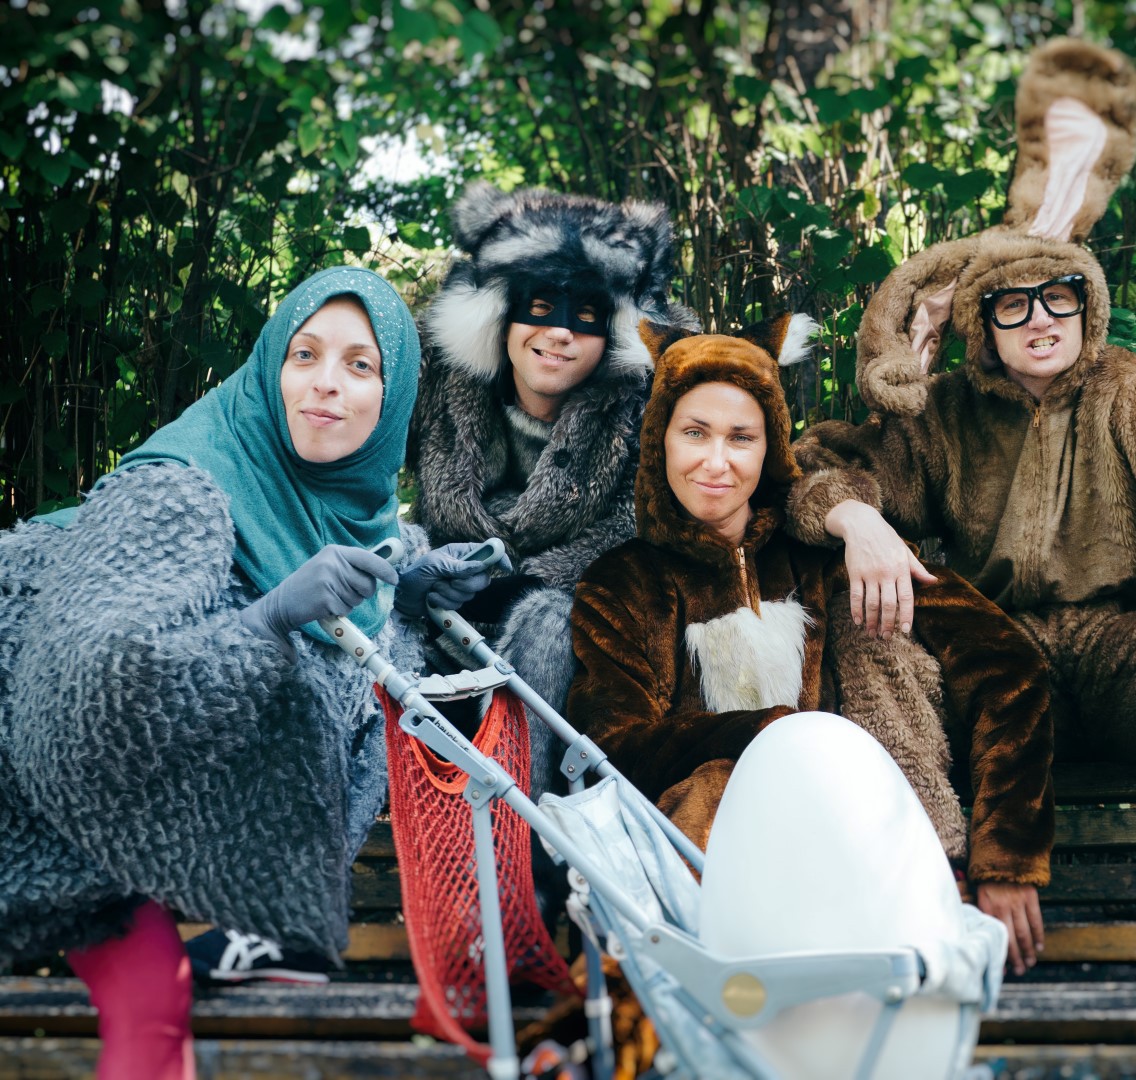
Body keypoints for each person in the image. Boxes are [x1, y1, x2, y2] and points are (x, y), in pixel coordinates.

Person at [784, 39, 1136, 995]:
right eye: (1013, 307)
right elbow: (828, 466)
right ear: (984, 326)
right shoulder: (951, 412)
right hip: (1003, 672)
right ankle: (936, 878)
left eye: (1059, 298)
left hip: (1130, 658)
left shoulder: (1132, 389)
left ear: (1086, 308)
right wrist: (860, 522)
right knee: (867, 612)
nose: (1040, 320)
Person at [0, 267, 493, 1076]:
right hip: (41, 799)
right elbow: (95, 702)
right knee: (154, 1024)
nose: (325, 386)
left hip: (133, 837)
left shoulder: (339, 506)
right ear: (271, 367)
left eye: (360, 366)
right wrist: (267, 621)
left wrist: (404, 589)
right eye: (305, 355)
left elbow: (345, 642)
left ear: (394, 395)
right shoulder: (179, 493)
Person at [566, 314, 1055, 980]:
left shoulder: (829, 561)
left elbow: (1010, 665)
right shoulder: (622, 583)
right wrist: (778, 735)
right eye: (695, 434)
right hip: (704, 875)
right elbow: (614, 749)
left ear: (770, 448)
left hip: (844, 860)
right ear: (660, 443)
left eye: (742, 437)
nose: (717, 461)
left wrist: (1007, 857)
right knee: (712, 785)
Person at [409, 181, 698, 798]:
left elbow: (637, 527)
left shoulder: (645, 408)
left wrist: (519, 580)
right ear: (501, 315)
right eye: (538, 307)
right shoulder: (440, 383)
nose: (559, 333)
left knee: (546, 623)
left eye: (585, 316)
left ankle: (525, 847)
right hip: (441, 625)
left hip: (573, 642)